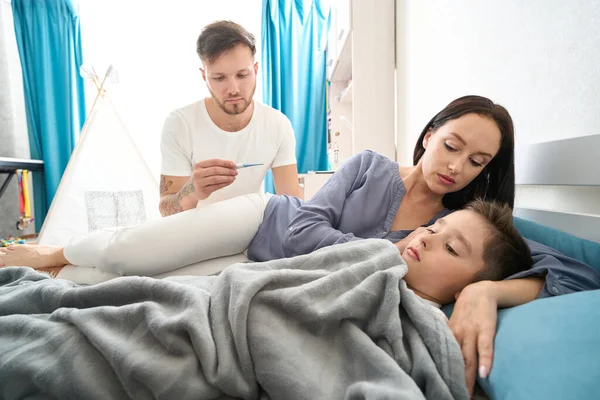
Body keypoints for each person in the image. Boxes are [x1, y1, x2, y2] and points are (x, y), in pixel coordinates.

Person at [2, 95, 595, 395]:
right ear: (429, 133)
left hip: (271, 277)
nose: (457, 166)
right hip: (263, 223)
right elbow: (308, 228)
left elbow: (571, 270)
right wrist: (377, 257)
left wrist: (488, 290)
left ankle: (65, 275)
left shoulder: (459, 225)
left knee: (128, 292)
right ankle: (51, 251)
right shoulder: (369, 168)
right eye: (452, 145)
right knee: (128, 254)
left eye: (477, 161)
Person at [159, 20, 302, 217]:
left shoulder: (278, 125)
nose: (233, 89)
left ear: (256, 70)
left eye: (242, 75)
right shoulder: (179, 125)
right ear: (204, 76)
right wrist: (192, 191)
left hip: (252, 238)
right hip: (196, 240)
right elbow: (166, 210)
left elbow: (293, 204)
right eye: (219, 78)